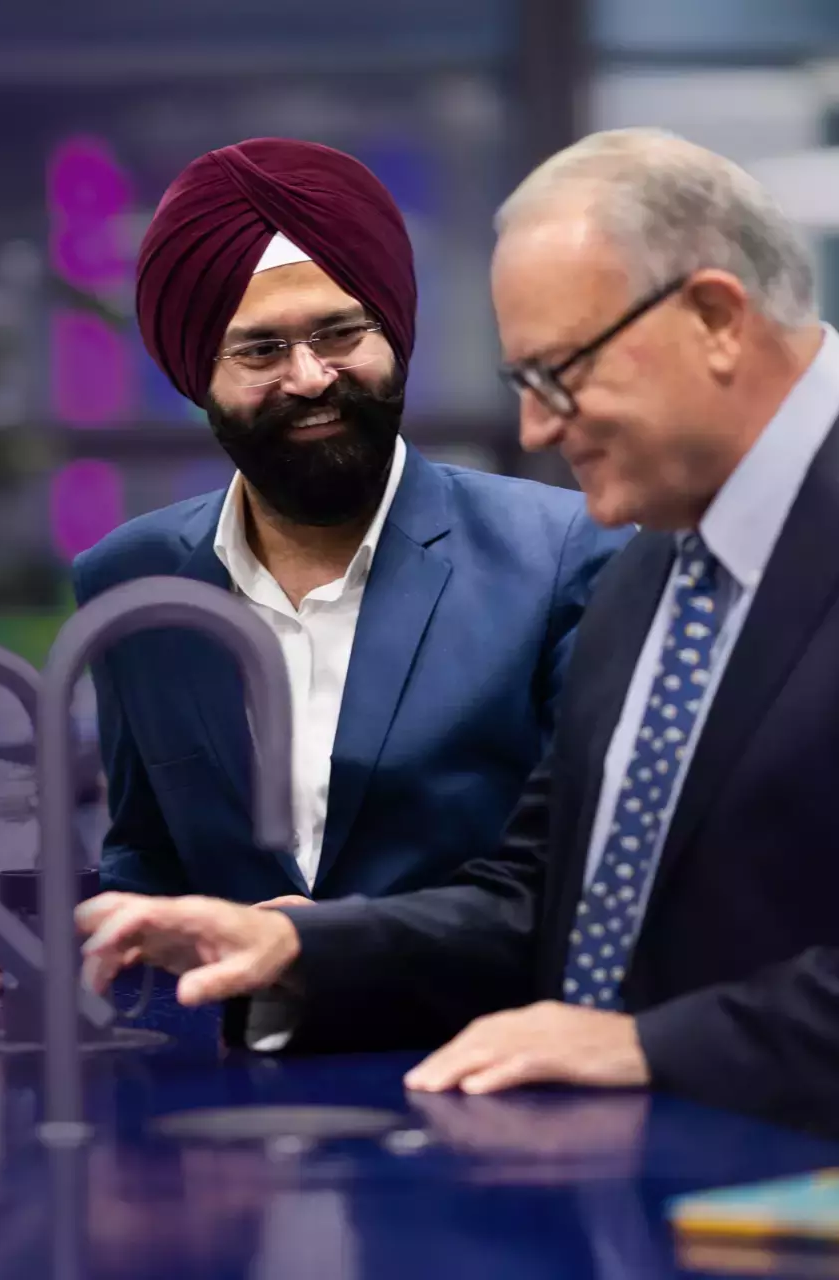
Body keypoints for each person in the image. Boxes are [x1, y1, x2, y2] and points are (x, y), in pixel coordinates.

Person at [74, 128, 839, 1192]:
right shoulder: (658, 564)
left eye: (559, 373)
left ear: (715, 318)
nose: (536, 428)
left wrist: (650, 1049)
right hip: (699, 1201)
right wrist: (300, 951)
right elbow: (545, 892)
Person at [75, 138, 628, 906]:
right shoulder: (133, 579)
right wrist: (55, 924)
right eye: (261, 350)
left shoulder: (559, 555)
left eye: (340, 334)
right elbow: (147, 854)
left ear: (392, 336)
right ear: (198, 378)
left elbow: (581, 872)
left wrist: (323, 950)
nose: (309, 378)